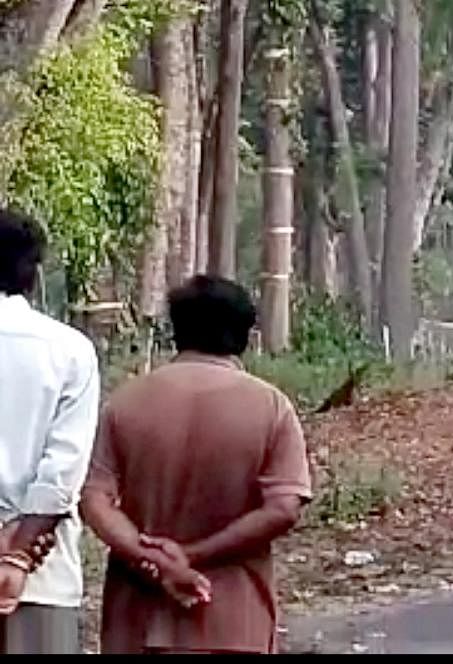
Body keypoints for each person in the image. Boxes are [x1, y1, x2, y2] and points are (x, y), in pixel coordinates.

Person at [81, 274, 313, 654]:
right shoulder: (271, 407)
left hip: (137, 621)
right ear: (244, 333)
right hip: (233, 620)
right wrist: (191, 556)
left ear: (177, 330)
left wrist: (150, 558)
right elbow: (284, 508)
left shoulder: (126, 403)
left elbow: (95, 500)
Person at [0, 208, 101, 654]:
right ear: (32, 274)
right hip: (40, 577)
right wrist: (16, 556)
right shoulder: (69, 351)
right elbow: (62, 473)